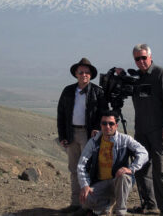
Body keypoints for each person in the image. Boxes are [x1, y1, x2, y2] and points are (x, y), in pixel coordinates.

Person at [122, 44, 163, 216]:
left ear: (150, 57)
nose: (141, 61)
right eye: (137, 58)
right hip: (141, 130)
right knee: (142, 168)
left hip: (159, 130)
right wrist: (121, 75)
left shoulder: (161, 74)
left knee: (161, 170)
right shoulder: (138, 78)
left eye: (143, 57)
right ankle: (149, 204)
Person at [57, 58, 107, 214]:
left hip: (89, 135)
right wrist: (62, 136)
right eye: (81, 72)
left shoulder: (98, 92)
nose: (84, 74)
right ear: (76, 74)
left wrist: (98, 130)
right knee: (73, 169)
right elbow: (61, 114)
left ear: (91, 75)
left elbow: (104, 114)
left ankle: (88, 205)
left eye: (87, 72)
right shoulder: (68, 91)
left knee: (89, 169)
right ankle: (75, 203)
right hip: (72, 133)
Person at [76, 110, 149, 216]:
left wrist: (131, 169)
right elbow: (81, 164)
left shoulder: (125, 139)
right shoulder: (94, 141)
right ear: (101, 125)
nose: (107, 126)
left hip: (119, 181)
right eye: (104, 123)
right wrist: (85, 185)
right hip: (101, 183)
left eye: (111, 123)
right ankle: (108, 205)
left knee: (124, 176)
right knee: (85, 200)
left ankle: (120, 211)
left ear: (116, 125)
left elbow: (143, 153)